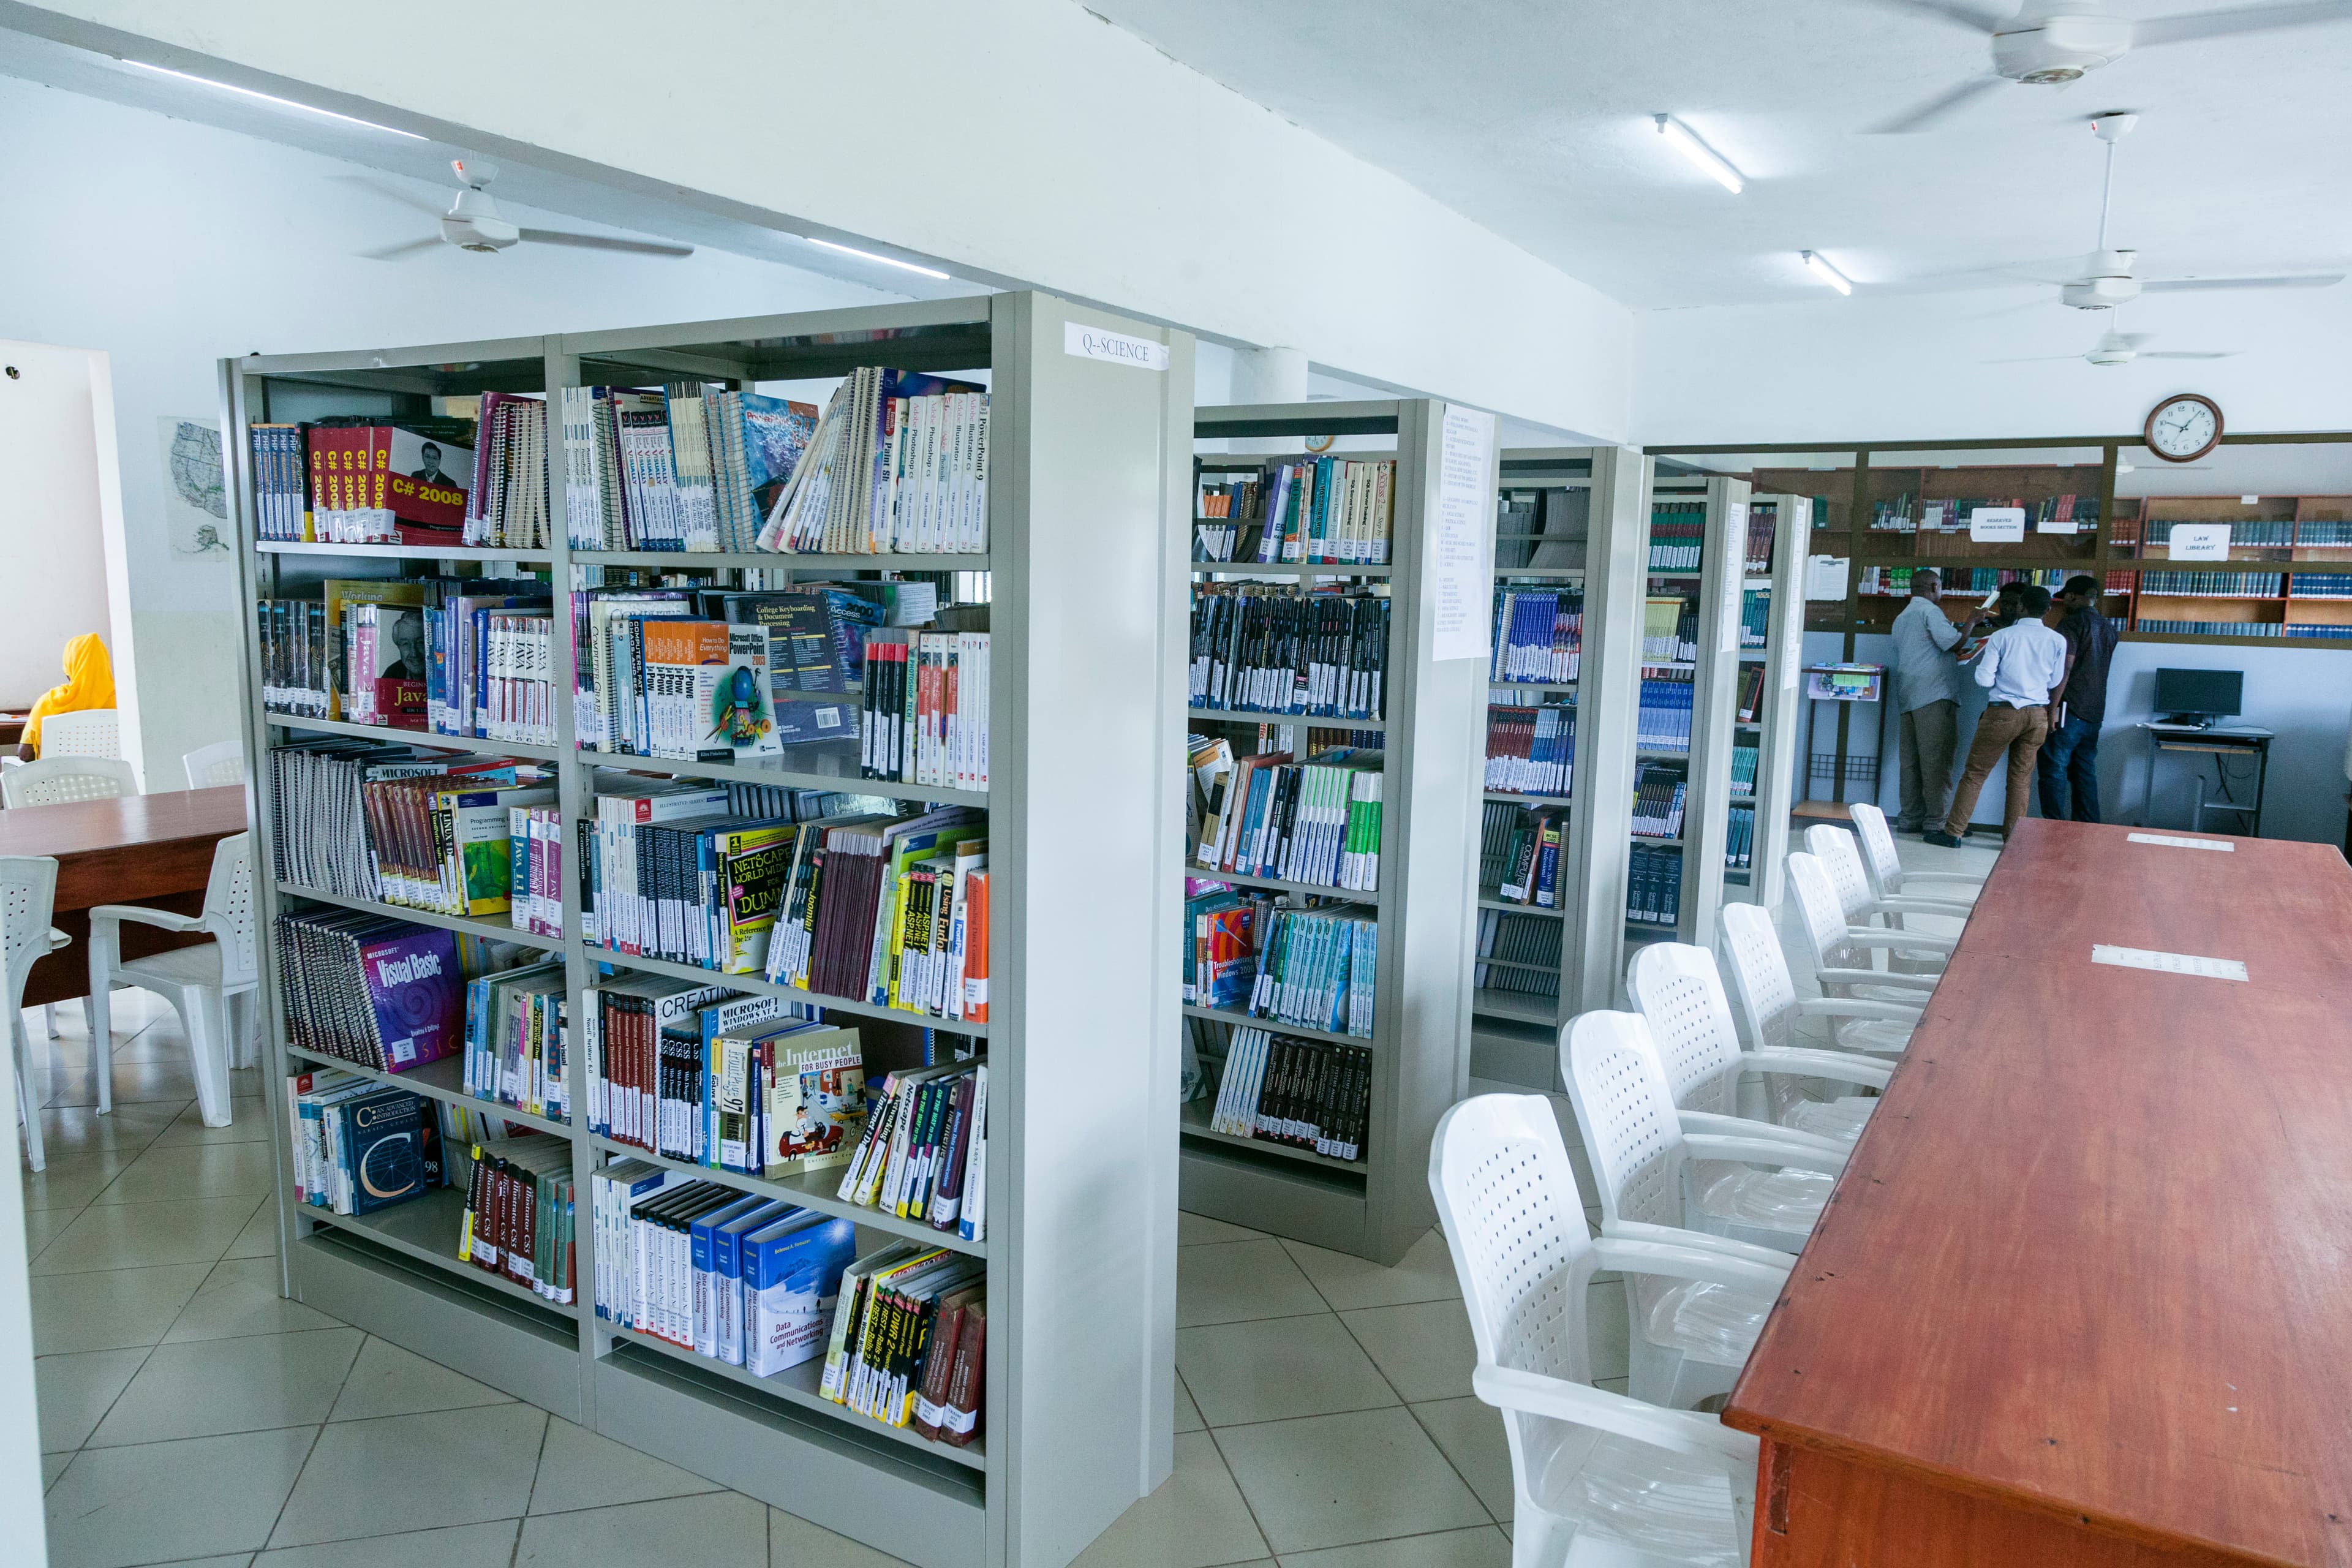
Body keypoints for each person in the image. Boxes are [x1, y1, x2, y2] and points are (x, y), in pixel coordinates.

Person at [1927, 584, 2069, 847]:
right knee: (2021, 778)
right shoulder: (2058, 640)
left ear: (2021, 607)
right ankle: (2012, 839)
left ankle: (1953, 833)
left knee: (1975, 774)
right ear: (2048, 610)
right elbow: (2056, 681)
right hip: (2037, 715)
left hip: (2003, 713)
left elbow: (1983, 679)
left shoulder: (2002, 637)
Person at [1888, 569, 1983, 833]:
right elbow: (1953, 643)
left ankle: (1909, 818)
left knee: (1911, 763)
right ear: (1933, 586)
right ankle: (1936, 822)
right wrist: (1971, 622)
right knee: (1937, 761)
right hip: (1934, 695)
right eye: (1940, 587)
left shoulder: (1902, 616)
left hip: (1908, 696)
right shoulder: (1930, 612)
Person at [2038, 575, 2119, 822]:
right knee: (2085, 770)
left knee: (2054, 768)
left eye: (2065, 598)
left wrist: (2051, 709)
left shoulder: (2071, 624)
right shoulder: (2109, 627)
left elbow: (2065, 668)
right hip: (2095, 710)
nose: (2064, 603)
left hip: (2068, 708)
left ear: (2072, 596)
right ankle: (2088, 828)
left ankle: (2053, 827)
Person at [16, 633, 116, 761]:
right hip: (107, 779)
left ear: (69, 665)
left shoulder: (50, 702)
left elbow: (25, 755)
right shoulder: (123, 701)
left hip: (57, 780)